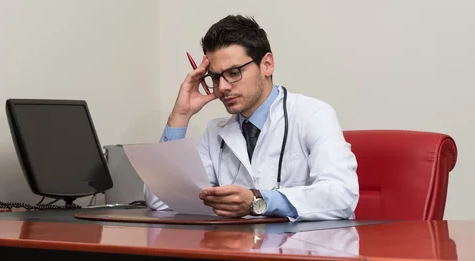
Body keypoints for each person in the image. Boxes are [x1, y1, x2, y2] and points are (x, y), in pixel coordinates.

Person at [144, 15, 359, 221]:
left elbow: (342, 195)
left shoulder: (313, 115)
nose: (223, 87)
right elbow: (159, 200)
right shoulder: (216, 132)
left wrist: (259, 201)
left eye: (234, 72)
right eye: (216, 77)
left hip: (303, 252)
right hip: (236, 251)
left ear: (267, 65)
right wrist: (180, 115)